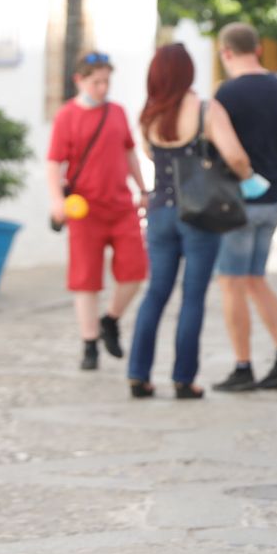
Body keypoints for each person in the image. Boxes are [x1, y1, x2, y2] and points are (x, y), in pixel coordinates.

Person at [127, 43, 255, 399]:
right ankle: (184, 379)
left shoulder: (149, 115)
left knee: (155, 293)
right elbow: (236, 157)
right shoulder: (205, 111)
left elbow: (152, 155)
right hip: (199, 213)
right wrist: (248, 178)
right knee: (192, 297)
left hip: (160, 211)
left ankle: (138, 374)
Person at [210, 23, 277, 392]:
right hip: (272, 201)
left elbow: (227, 152)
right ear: (259, 50)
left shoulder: (226, 94)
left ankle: (243, 365)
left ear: (226, 53)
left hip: (237, 202)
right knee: (254, 279)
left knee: (232, 284)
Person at [46, 51, 149, 371]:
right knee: (85, 278)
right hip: (84, 209)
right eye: (96, 82)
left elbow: (130, 153)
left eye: (106, 82)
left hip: (120, 206)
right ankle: (89, 343)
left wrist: (143, 189)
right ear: (79, 80)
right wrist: (56, 201)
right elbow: (54, 163)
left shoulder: (117, 112)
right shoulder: (67, 116)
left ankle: (111, 319)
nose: (103, 88)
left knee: (135, 269)